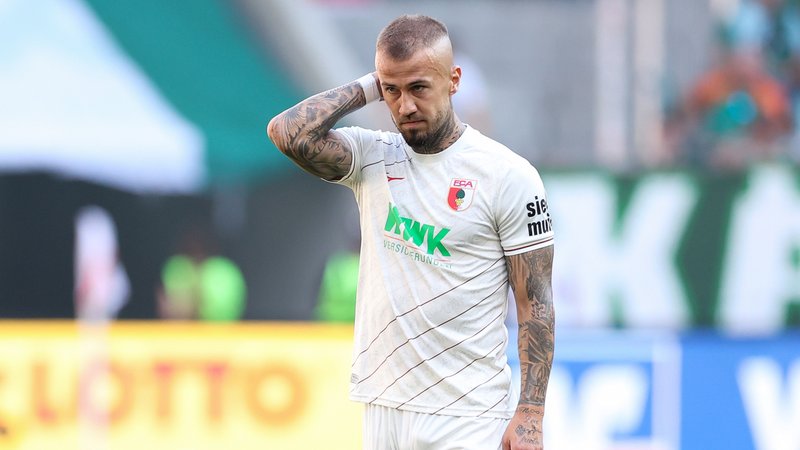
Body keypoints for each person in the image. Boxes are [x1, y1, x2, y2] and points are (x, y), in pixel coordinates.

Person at [267, 14, 554, 450]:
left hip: (467, 414)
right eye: (392, 91)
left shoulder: (507, 175)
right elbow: (287, 132)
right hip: (382, 406)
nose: (405, 107)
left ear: (454, 80)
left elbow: (536, 303)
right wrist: (372, 83)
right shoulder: (373, 157)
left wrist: (531, 413)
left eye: (419, 87)